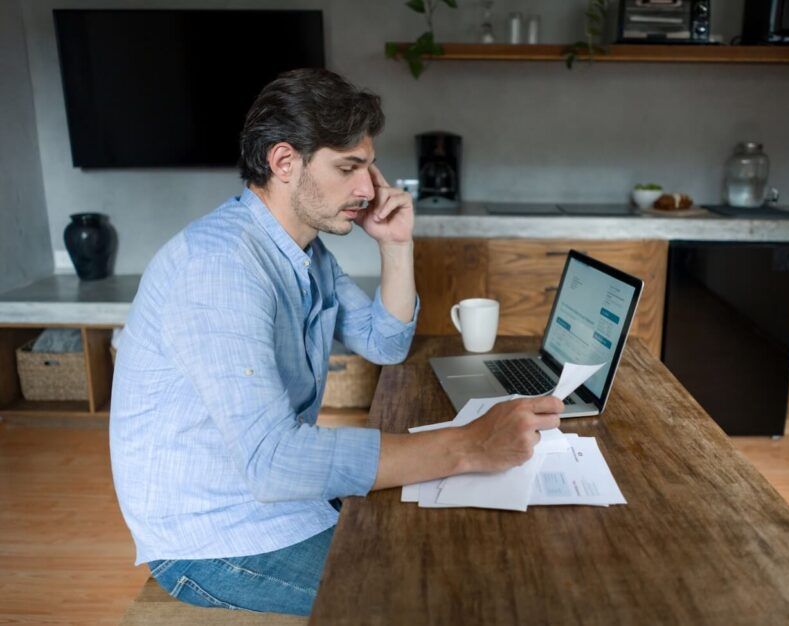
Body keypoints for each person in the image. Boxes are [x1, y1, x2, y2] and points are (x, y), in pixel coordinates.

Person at [109, 68, 563, 616]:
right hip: (215, 538)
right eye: (348, 167)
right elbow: (274, 461)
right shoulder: (219, 268)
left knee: (450, 549)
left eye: (369, 166)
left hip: (278, 501)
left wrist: (396, 245)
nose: (370, 188)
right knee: (434, 599)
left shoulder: (302, 253)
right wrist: (468, 444)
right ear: (284, 163)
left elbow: (384, 343)